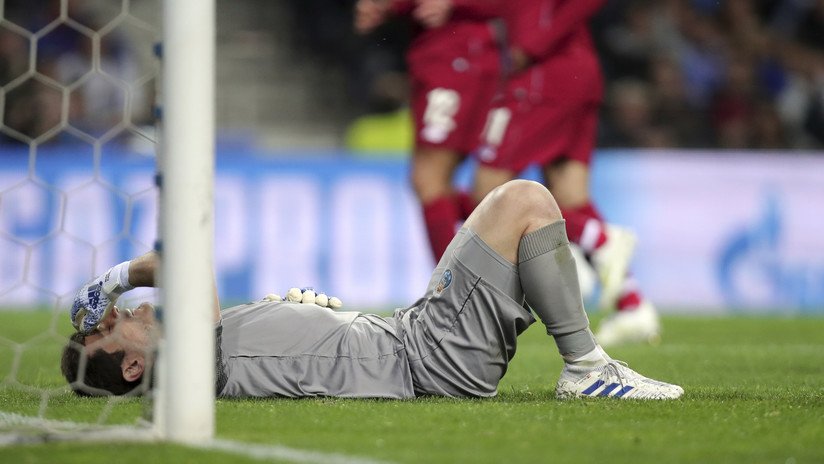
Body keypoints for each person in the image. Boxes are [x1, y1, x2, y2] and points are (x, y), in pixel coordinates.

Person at [62, 180, 683, 400]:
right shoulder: (197, 366)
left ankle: (586, 291)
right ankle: (586, 368)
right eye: (108, 328)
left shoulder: (208, 353)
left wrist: (296, 318)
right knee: (522, 201)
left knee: (519, 213)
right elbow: (187, 260)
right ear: (135, 363)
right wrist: (114, 277)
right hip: (427, 356)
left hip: (412, 336)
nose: (119, 312)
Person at [466, 0, 661, 346]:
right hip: (574, 67)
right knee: (571, 196)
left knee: (487, 193)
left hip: (544, 71)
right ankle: (631, 305)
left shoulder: (537, 44)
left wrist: (532, 42)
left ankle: (600, 239)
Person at [354, 0, 505, 261]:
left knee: (429, 178)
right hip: (445, 58)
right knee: (435, 183)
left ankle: (454, 287)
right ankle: (527, 235)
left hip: (455, 58)